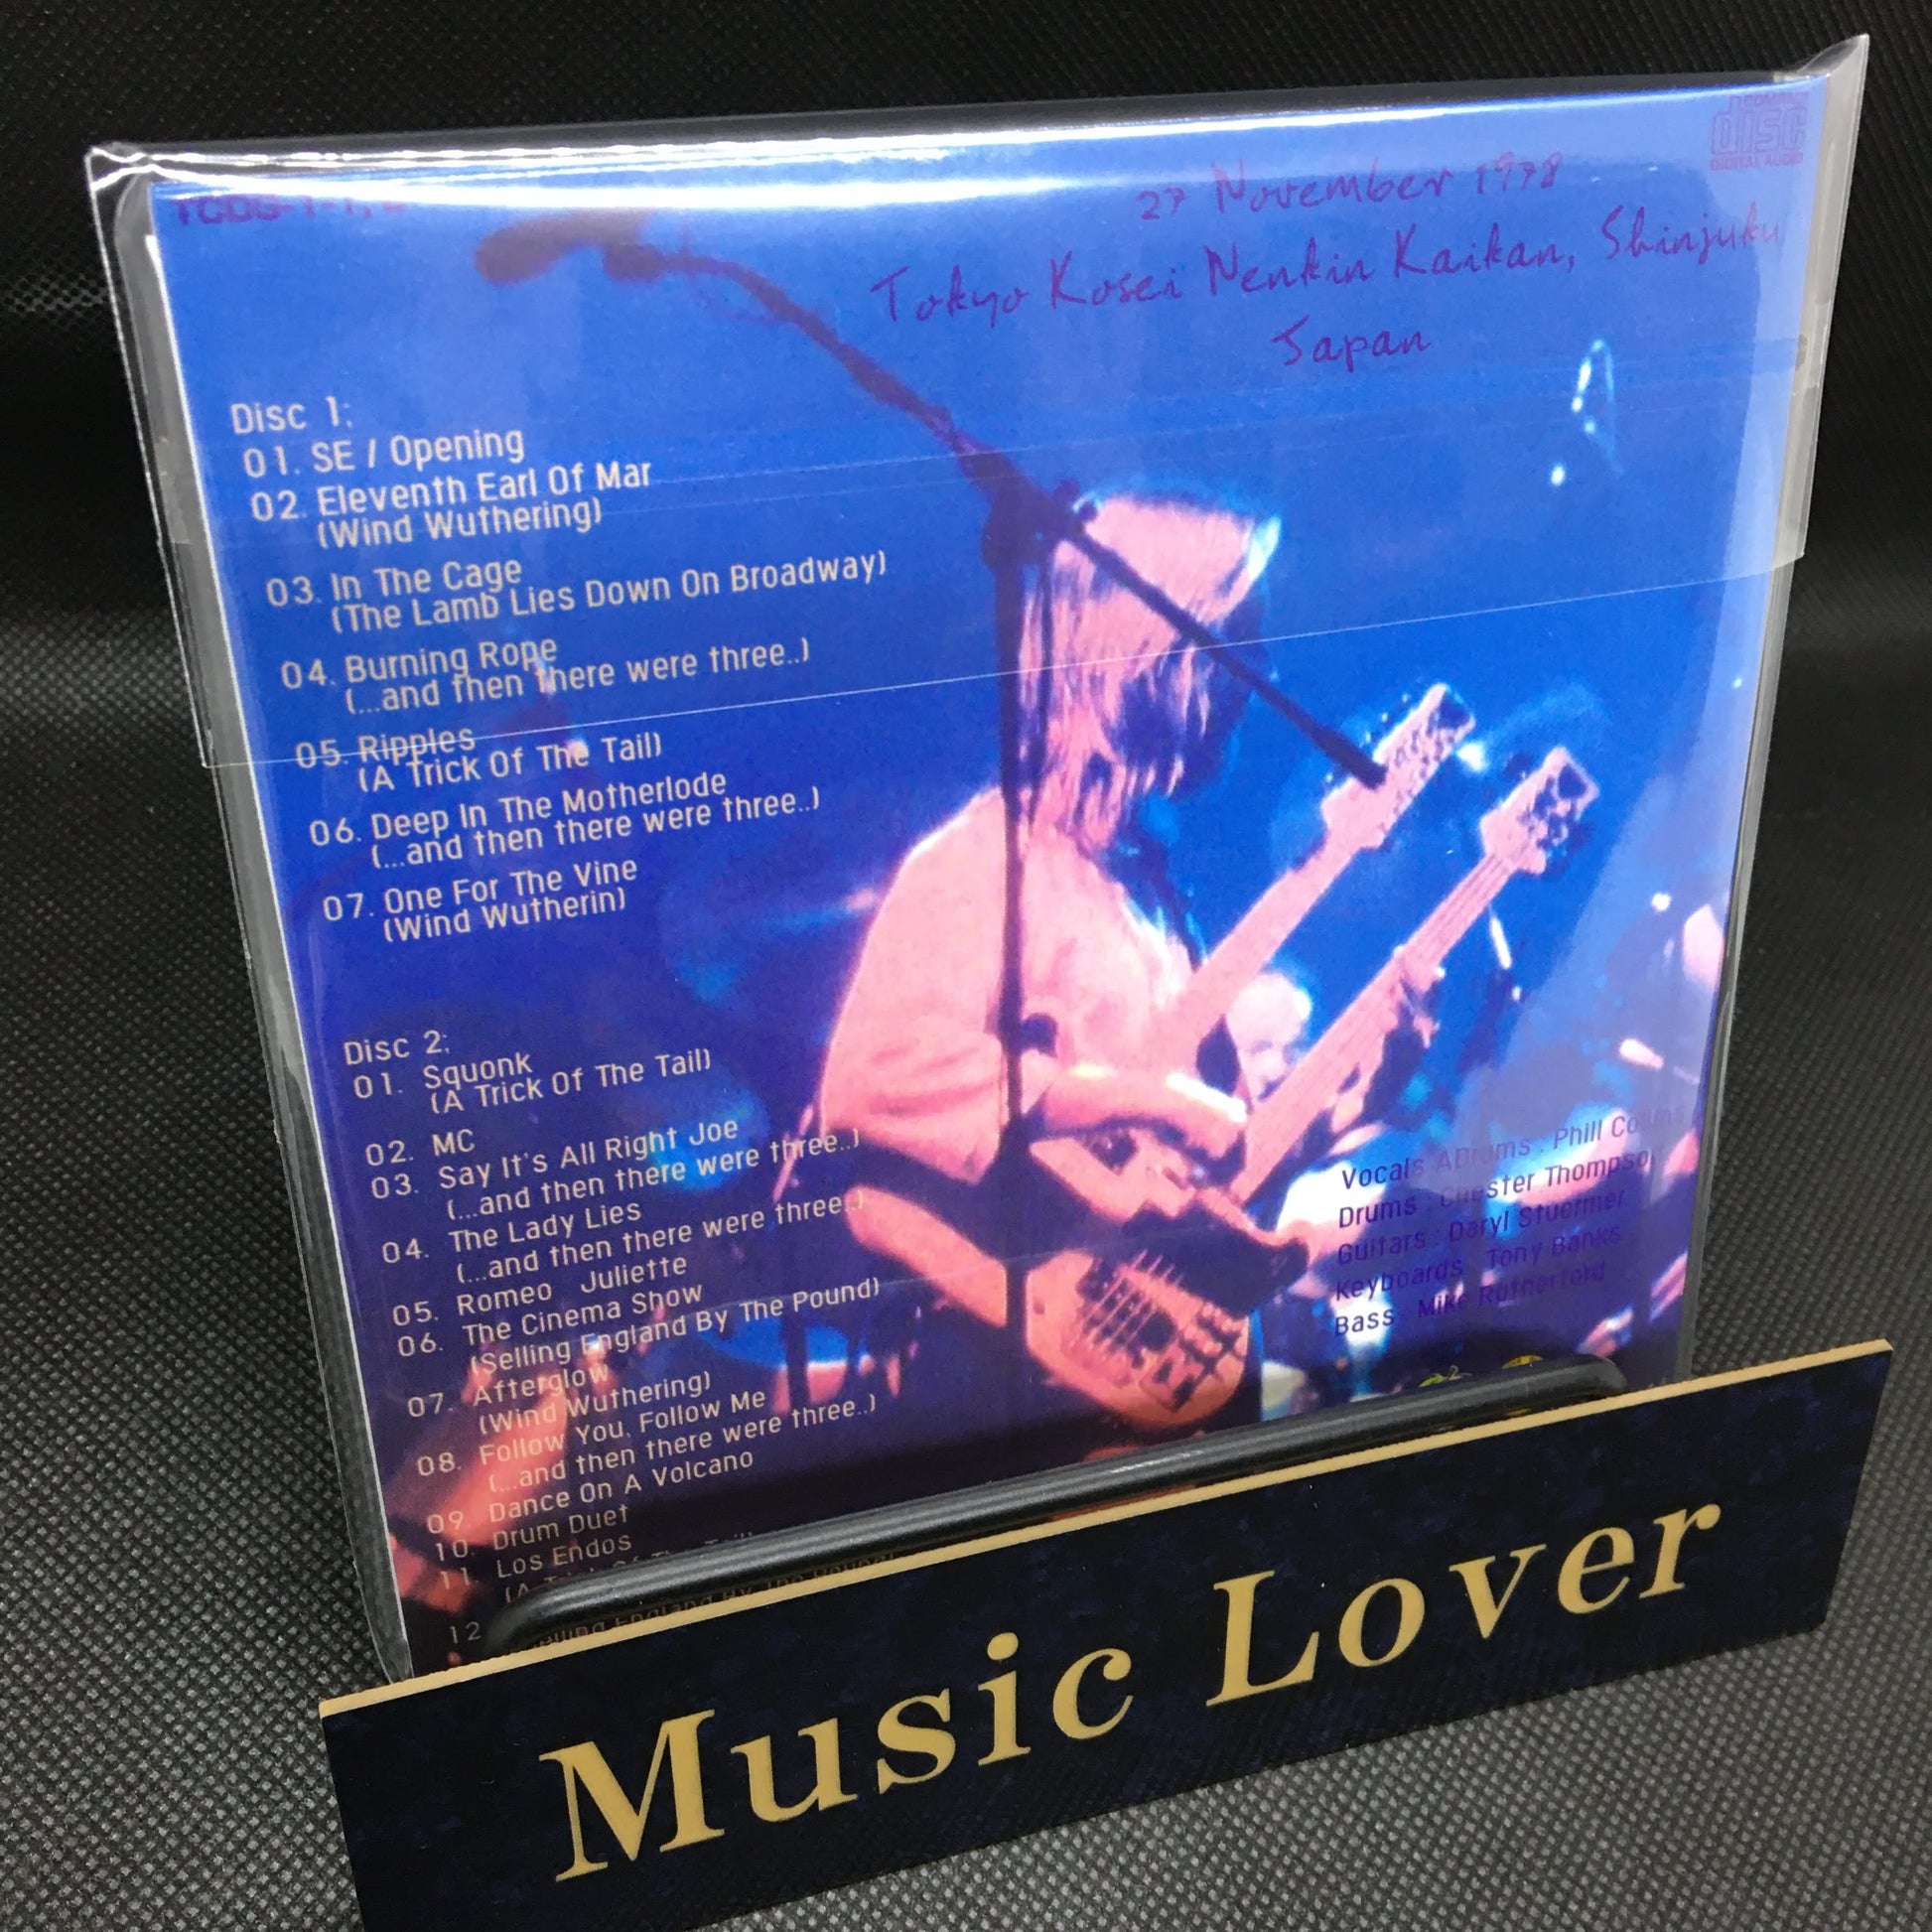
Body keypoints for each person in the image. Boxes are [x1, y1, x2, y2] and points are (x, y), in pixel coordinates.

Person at [818, 491, 1280, 1339]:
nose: (1264, 676)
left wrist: (1363, 1092)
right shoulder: (987, 863)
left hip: (1135, 1354)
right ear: (1148, 657)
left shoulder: (1150, 892)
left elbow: (1202, 1166)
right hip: (999, 1364)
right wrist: (1142, 1099)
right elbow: (872, 1076)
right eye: (1239, 641)